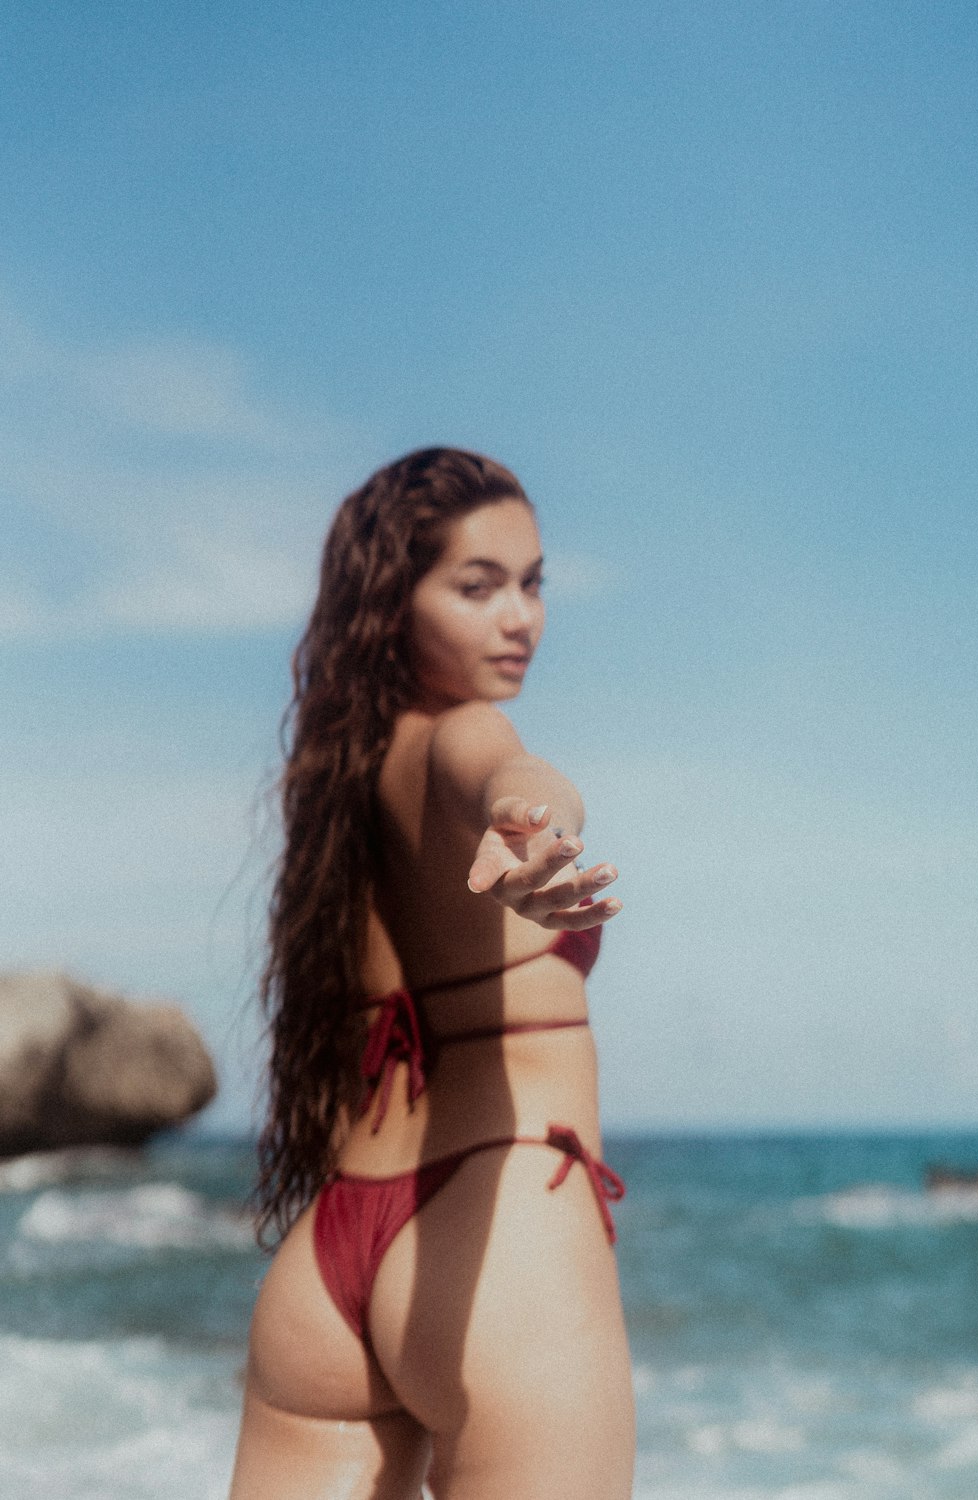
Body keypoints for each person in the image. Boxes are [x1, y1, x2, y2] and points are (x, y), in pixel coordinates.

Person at [228, 448, 634, 1500]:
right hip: (494, 1247)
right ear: (393, 603)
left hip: (327, 1282)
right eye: (477, 585)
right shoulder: (465, 732)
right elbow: (508, 776)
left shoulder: (335, 786)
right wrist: (534, 828)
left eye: (533, 581)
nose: (521, 618)